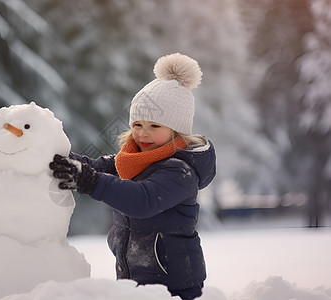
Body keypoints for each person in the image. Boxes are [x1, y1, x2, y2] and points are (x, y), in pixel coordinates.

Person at [50, 53, 216, 300]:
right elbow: (97, 165)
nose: (143, 133)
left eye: (154, 126)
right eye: (137, 124)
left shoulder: (180, 171)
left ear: (176, 129)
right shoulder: (132, 161)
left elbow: (143, 200)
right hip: (133, 280)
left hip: (176, 286)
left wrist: (91, 182)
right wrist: (55, 156)